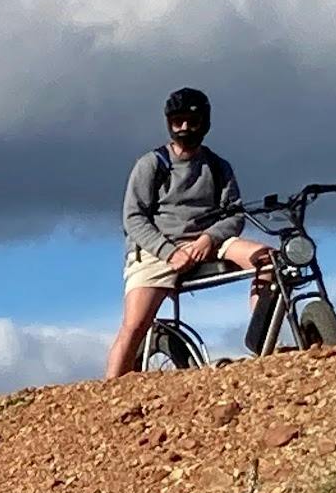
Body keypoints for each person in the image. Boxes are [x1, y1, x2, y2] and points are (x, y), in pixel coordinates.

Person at [104, 87, 272, 378]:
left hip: (209, 241)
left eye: (191, 121)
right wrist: (169, 252)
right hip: (158, 249)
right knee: (134, 327)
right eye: (177, 121)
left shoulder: (218, 167)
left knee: (268, 261)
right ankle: (107, 395)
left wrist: (208, 239)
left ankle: (263, 347)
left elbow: (234, 214)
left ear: (204, 123)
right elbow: (133, 218)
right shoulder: (152, 164)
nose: (184, 128)